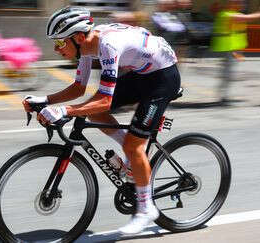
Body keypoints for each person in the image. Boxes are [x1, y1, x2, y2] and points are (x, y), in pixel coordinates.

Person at [23, 6, 181, 234]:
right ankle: (131, 153)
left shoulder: (107, 45)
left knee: (131, 142)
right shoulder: (86, 46)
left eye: (59, 43)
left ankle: (147, 209)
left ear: (77, 38)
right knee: (92, 111)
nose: (56, 49)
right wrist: (45, 100)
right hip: (141, 73)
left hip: (163, 78)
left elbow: (105, 101)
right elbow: (79, 88)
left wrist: (64, 111)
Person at [210, 0, 260, 105]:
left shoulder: (235, 13)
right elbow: (249, 18)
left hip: (233, 48)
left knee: (229, 73)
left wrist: (239, 51)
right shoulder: (226, 14)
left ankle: (224, 95)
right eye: (238, 2)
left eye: (241, 2)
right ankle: (223, 97)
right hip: (228, 48)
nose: (241, 4)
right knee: (227, 73)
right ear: (231, 3)